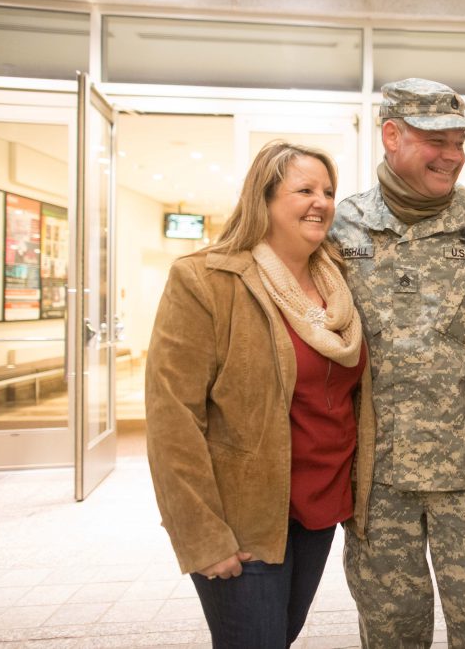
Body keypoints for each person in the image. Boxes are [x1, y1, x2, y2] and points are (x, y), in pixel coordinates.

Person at [146, 140, 374, 648]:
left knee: (279, 636)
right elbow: (172, 418)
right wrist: (201, 535)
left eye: (329, 191)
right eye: (304, 189)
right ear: (263, 199)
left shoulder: (340, 283)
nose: (322, 201)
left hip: (319, 507)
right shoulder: (205, 279)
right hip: (244, 517)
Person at [331, 78, 465, 649]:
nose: (453, 155)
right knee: (391, 632)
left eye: (459, 141)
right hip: (375, 477)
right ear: (391, 135)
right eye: (435, 139)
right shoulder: (343, 228)